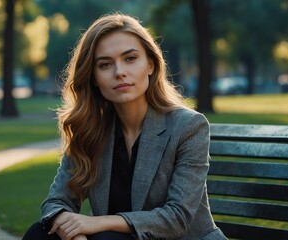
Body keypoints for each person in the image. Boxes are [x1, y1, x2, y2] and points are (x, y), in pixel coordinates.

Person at [23, 13, 227, 240]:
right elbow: (56, 202)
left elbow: (176, 218)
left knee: (104, 237)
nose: (119, 72)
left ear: (150, 64)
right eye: (105, 64)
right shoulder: (91, 130)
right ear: (93, 77)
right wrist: (75, 236)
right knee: (40, 234)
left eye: (130, 59)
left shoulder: (188, 126)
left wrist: (96, 222)